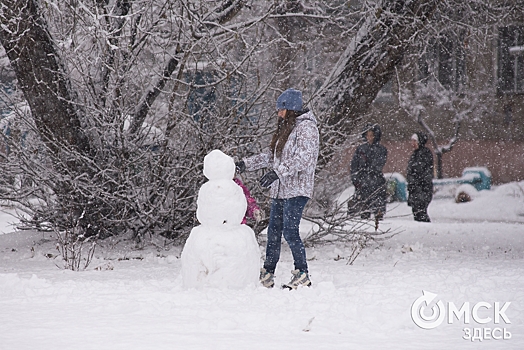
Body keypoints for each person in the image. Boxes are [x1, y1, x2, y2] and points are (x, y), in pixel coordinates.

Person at [235, 88, 319, 289]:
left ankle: (302, 273)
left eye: (281, 110)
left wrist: (278, 173)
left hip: (297, 189)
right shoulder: (287, 127)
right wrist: (245, 164)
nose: (278, 114)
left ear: (291, 109)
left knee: (290, 231)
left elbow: (304, 158)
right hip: (280, 190)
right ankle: (268, 272)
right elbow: (270, 157)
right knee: (273, 232)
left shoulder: (307, 129)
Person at [349, 123, 388, 220]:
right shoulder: (360, 149)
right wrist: (355, 179)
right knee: (363, 209)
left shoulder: (381, 150)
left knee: (378, 208)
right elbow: (354, 165)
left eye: (371, 135)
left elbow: (378, 164)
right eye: (367, 135)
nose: (369, 138)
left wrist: (368, 169)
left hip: (376, 182)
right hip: (363, 183)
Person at [406, 132, 434, 222]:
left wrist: (416, 183)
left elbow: (422, 171)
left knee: (421, 212)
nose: (412, 143)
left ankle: (425, 228)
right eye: (412, 141)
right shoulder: (415, 155)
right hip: (415, 189)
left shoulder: (425, 154)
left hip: (422, 188)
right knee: (416, 212)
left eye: (414, 141)